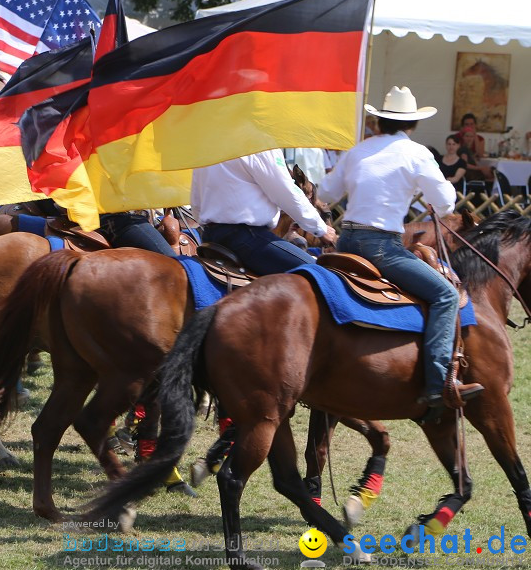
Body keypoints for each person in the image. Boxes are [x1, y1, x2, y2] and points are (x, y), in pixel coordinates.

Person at [318, 85, 483, 412]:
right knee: (446, 295)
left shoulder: (358, 150)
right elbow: (446, 201)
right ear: (412, 124)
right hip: (381, 246)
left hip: (344, 239)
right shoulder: (417, 153)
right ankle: (438, 384)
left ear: (378, 121)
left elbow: (326, 191)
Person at [191, 149, 336, 275]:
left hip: (210, 236)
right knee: (320, 274)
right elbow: (286, 192)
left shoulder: (208, 144)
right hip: (247, 238)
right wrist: (321, 229)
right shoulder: (258, 142)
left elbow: (196, 203)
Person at [458, 112, 494, 182]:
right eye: (467, 124)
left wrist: (475, 135)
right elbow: (464, 164)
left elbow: (480, 155)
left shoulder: (479, 139)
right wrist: (480, 168)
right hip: (468, 172)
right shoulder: (458, 141)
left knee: (492, 171)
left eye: (472, 124)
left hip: (474, 166)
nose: (469, 126)